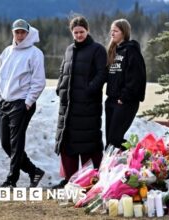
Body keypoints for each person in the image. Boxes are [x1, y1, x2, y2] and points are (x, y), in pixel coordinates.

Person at [54, 16, 107, 188]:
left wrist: (88, 90)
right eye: (75, 32)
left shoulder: (97, 49)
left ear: (87, 30)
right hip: (68, 106)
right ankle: (69, 180)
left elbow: (102, 74)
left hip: (87, 106)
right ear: (72, 33)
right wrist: (59, 88)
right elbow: (63, 71)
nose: (78, 35)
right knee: (68, 143)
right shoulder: (69, 50)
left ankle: (90, 180)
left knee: (87, 142)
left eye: (81, 32)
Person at [0, 19, 46, 187]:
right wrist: (0, 96)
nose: (19, 34)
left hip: (21, 103)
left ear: (28, 32)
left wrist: (28, 102)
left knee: (16, 144)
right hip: (5, 102)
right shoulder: (7, 51)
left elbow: (38, 81)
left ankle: (11, 180)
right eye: (16, 31)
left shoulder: (35, 53)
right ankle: (34, 171)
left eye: (22, 32)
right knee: (6, 143)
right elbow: (2, 77)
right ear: (13, 33)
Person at [105, 19, 146, 150]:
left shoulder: (131, 51)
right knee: (110, 142)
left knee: (114, 139)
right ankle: (114, 166)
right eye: (111, 31)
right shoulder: (113, 51)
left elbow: (136, 77)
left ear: (124, 32)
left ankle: (138, 155)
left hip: (125, 101)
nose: (112, 34)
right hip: (111, 100)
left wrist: (123, 97)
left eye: (115, 31)